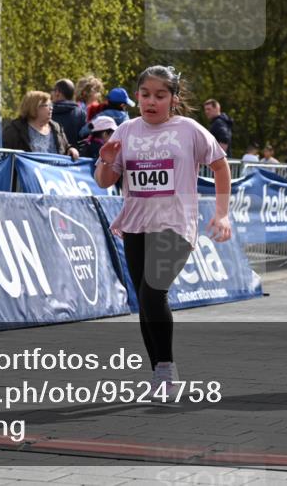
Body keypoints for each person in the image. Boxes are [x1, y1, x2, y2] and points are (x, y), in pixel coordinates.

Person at [93, 65, 231, 399]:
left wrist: (223, 214)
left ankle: (167, 371)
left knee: (154, 292)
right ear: (137, 96)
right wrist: (105, 161)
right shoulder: (126, 131)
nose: (151, 102)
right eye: (144, 95)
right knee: (144, 298)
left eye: (160, 95)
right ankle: (160, 373)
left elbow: (220, 166)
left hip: (176, 224)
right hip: (137, 222)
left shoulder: (189, 130)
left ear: (174, 98)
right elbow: (104, 182)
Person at [2, 90, 79, 159]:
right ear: (33, 107)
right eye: (46, 105)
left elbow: (65, 147)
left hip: (54, 174)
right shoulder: (15, 129)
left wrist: (71, 149)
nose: (51, 108)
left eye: (51, 105)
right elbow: (5, 156)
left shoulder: (56, 127)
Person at [51, 78, 87, 147]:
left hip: (48, 156)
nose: (52, 93)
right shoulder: (81, 113)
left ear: (58, 93)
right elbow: (84, 139)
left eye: (53, 90)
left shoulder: (46, 111)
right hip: (73, 156)